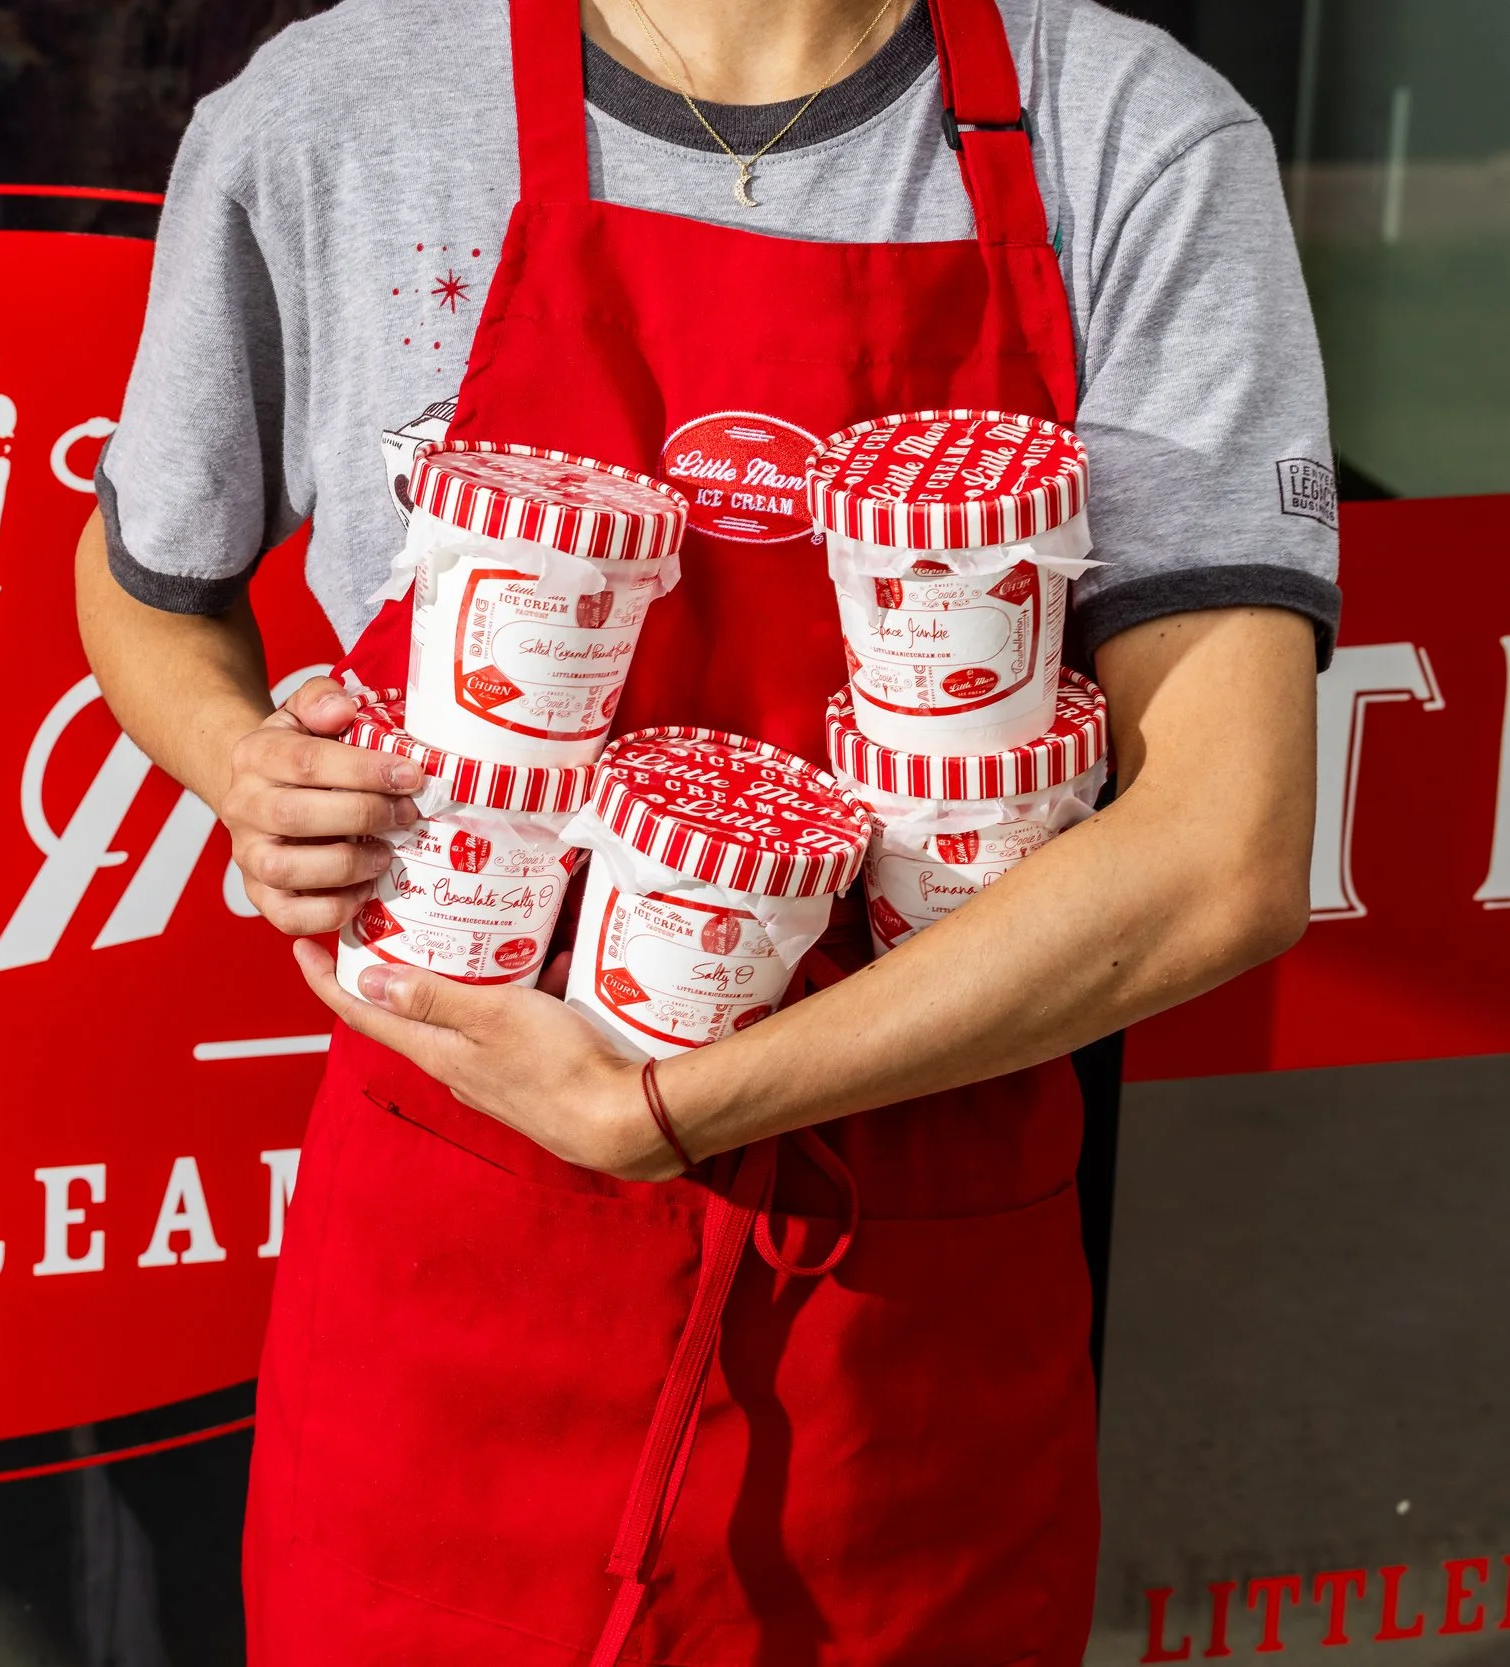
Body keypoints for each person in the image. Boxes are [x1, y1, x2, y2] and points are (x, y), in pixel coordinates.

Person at [77, 0, 1334, 1658]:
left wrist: (666, 1106)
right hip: (444, 1294)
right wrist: (244, 763)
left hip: (902, 1343)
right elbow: (146, 583)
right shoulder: (340, 109)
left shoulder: (1126, 137)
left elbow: (1222, 849)